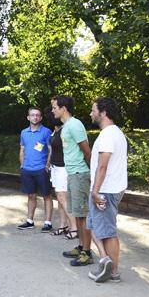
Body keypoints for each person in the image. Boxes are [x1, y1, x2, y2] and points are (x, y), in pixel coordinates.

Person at [87, 98, 128, 283]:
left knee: (109, 231)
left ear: (103, 113)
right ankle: (105, 260)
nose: (91, 113)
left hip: (105, 190)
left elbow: (102, 166)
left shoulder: (108, 135)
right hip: (108, 188)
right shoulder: (114, 133)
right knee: (93, 225)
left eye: (93, 110)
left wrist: (95, 192)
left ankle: (114, 272)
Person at [53, 95, 94, 267]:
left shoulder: (75, 124)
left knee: (82, 215)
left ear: (64, 108)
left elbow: (87, 150)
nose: (53, 110)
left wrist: (93, 175)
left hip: (79, 173)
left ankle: (87, 252)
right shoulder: (66, 126)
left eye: (55, 107)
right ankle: (81, 246)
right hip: (71, 174)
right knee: (77, 214)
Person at [17, 107, 54, 232]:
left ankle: (48, 223)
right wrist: (22, 165)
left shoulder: (46, 132)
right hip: (27, 169)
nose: (35, 117)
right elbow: (22, 149)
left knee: (46, 196)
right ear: (28, 117)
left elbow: (50, 149)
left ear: (41, 117)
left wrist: (47, 165)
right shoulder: (24, 132)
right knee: (31, 195)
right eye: (32, 115)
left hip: (41, 169)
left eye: (38, 115)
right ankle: (29, 221)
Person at [44, 108, 77, 239]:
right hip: (55, 167)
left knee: (64, 198)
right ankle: (63, 225)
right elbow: (52, 150)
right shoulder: (55, 131)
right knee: (60, 198)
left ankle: (74, 227)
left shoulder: (66, 129)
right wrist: (48, 164)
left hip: (63, 168)